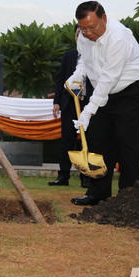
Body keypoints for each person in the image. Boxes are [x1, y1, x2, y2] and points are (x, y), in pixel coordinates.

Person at [67, 1, 139, 206]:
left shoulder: (119, 37)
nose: (88, 33)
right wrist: (77, 76)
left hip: (131, 88)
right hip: (104, 88)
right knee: (98, 139)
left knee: (126, 140)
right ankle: (98, 192)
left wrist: (88, 111)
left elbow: (109, 78)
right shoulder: (84, 35)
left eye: (92, 28)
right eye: (83, 28)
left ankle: (130, 194)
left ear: (104, 18)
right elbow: (84, 60)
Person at [50, 25, 90, 188]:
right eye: (77, 33)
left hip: (88, 105)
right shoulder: (69, 56)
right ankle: (63, 176)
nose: (80, 35)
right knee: (67, 141)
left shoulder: (95, 56)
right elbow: (61, 80)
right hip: (69, 104)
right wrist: (57, 102)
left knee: (87, 141)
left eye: (83, 32)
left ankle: (86, 177)